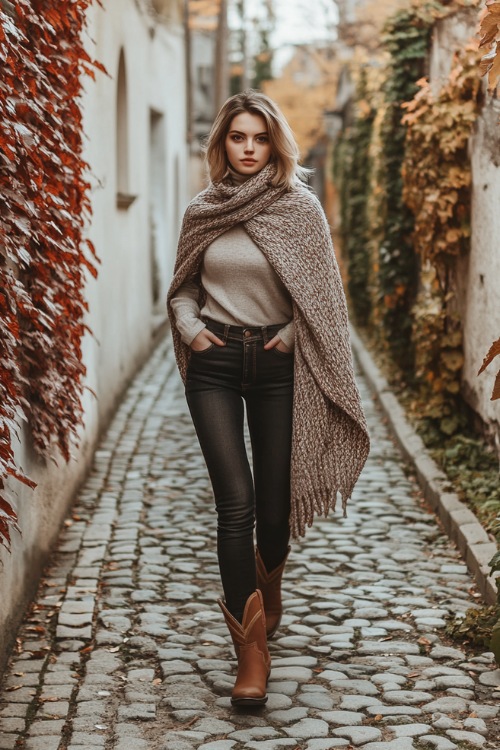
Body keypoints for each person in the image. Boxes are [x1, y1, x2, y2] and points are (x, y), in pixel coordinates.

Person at [167, 90, 370, 707]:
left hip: (282, 368)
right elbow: (183, 287)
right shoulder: (204, 209)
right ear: (221, 143)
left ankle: (268, 579)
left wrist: (288, 336)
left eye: (258, 138)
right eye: (237, 138)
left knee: (275, 509)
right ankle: (251, 650)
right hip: (216, 365)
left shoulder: (300, 209)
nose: (249, 148)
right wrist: (190, 328)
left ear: (274, 142)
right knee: (237, 503)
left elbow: (324, 301)